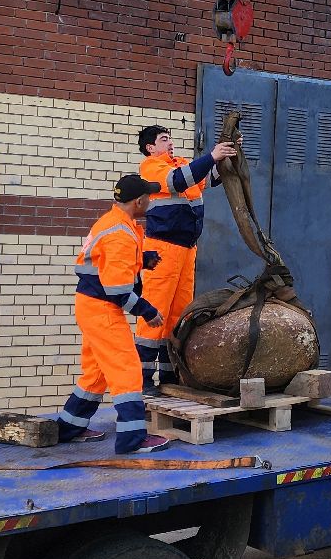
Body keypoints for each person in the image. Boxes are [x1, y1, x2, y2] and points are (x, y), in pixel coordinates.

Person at [56, 173, 176, 453]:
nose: (151, 200)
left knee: (95, 373)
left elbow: (104, 263)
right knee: (127, 369)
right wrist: (148, 312)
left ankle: (70, 427)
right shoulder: (121, 234)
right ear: (139, 201)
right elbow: (118, 291)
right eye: (148, 196)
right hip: (103, 309)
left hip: (89, 306)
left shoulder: (114, 222)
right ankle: (132, 439)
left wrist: (141, 260)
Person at [132, 126, 239, 388]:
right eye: (164, 139)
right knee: (154, 315)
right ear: (150, 147)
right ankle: (142, 383)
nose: (170, 143)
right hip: (163, 250)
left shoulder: (180, 164)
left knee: (177, 317)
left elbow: (210, 177)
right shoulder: (151, 167)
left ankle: (170, 377)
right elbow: (178, 181)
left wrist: (228, 152)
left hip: (186, 251)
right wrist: (212, 156)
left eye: (170, 139)